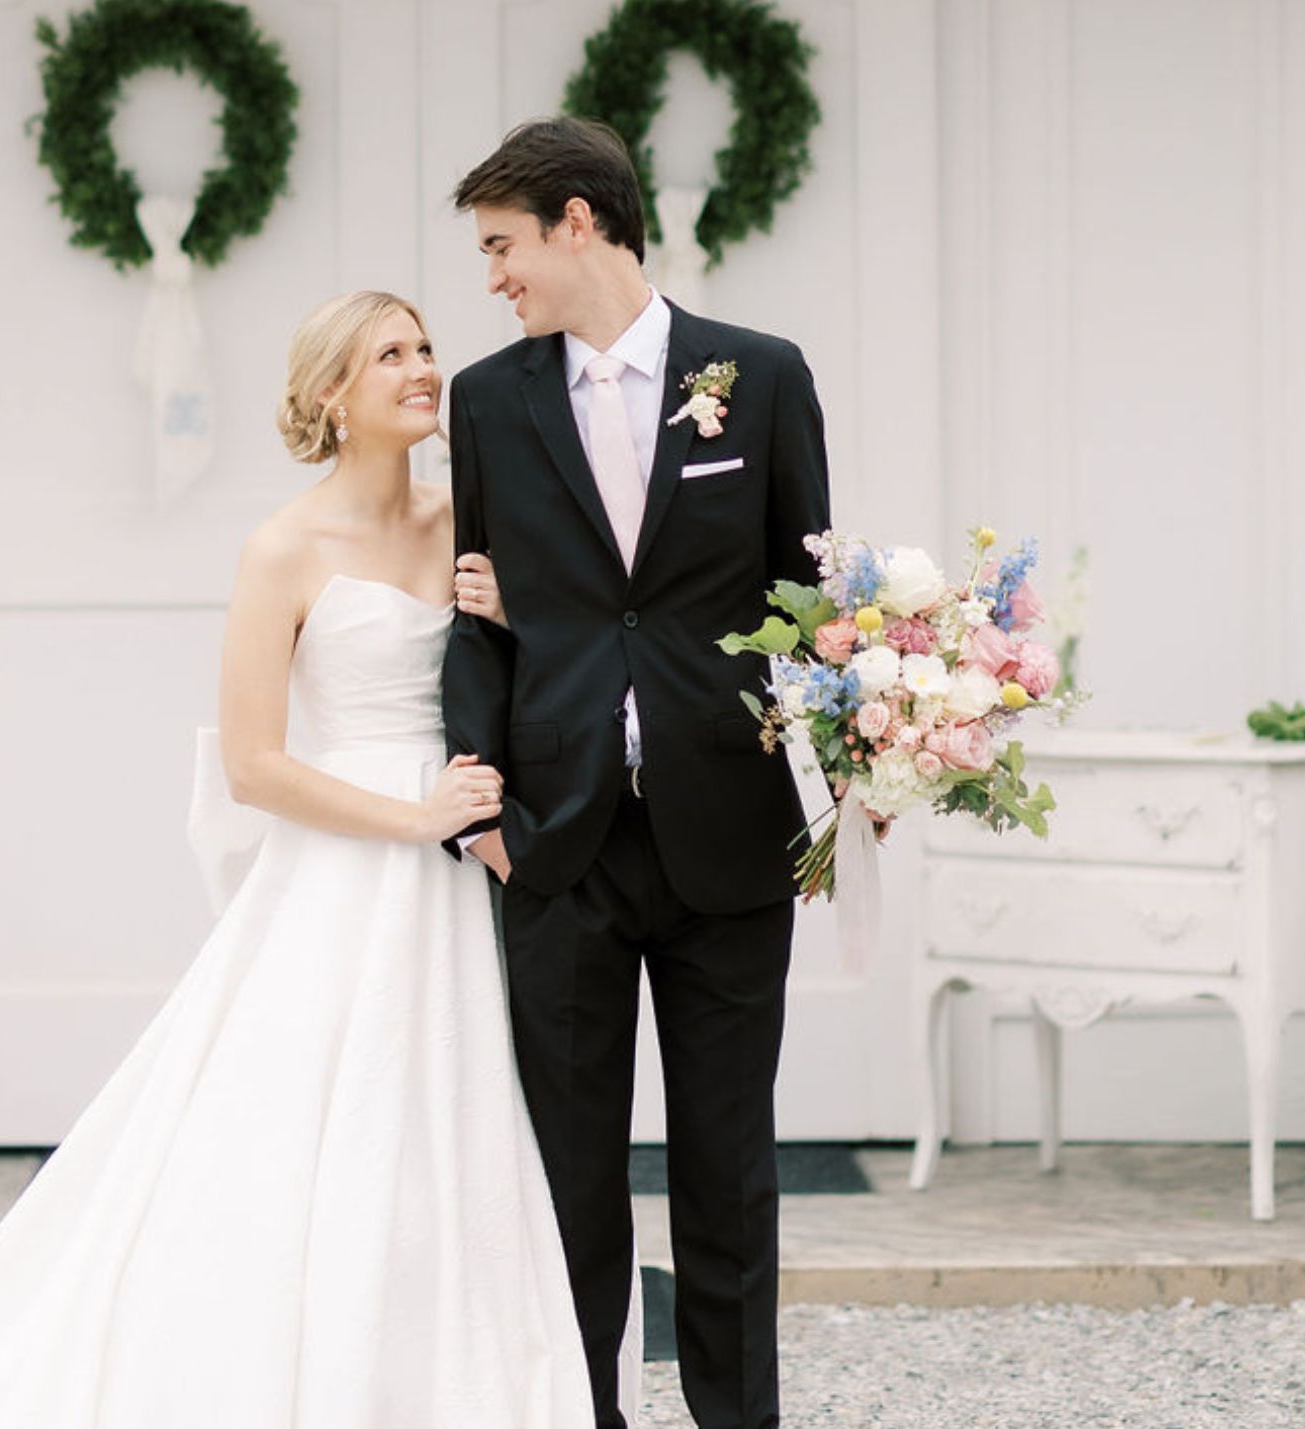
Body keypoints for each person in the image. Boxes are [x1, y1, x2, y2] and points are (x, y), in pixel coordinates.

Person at [0, 290, 632, 1428]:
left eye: (423, 348)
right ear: (331, 395)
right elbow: (254, 765)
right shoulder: (281, 548)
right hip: (358, 863)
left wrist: (519, 614)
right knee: (333, 1125)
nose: (422, 369)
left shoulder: (472, 521)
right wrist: (414, 818)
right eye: (388, 355)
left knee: (468, 1127)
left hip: (483, 860)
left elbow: (570, 669)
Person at [443, 117, 833, 1429]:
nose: (493, 276)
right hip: (557, 844)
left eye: (501, 245)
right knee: (568, 1180)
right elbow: (476, 620)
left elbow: (806, 601)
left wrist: (846, 775)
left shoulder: (760, 375)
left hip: (729, 833)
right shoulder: (487, 401)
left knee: (728, 1169)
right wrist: (484, 815)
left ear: (577, 222)